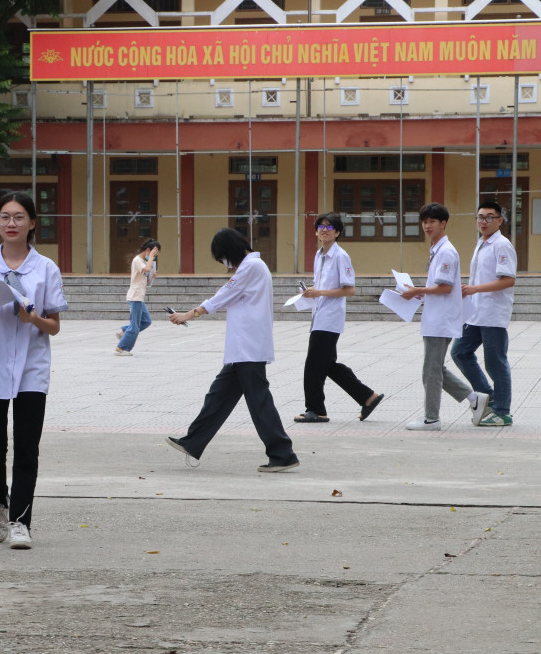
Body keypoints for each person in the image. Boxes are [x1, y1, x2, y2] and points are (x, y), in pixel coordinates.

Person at [0, 191, 68, 550]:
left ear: (32, 223)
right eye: (4, 217)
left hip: (32, 368)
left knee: (26, 446)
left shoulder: (46, 268)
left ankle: (22, 521)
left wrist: (32, 317)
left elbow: (53, 325)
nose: (11, 224)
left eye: (19, 217)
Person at [166, 227, 299, 473]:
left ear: (231, 251)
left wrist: (189, 313)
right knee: (218, 396)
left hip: (247, 347)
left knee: (259, 401)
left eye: (224, 258)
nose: (226, 265)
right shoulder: (253, 266)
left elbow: (224, 294)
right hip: (243, 347)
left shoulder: (251, 267)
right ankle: (193, 442)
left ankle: (283, 453)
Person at [401, 202, 488, 430]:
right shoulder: (437, 249)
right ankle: (473, 399)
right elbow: (438, 287)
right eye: (424, 221)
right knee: (435, 368)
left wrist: (417, 291)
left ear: (443, 223)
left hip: (441, 320)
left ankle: (432, 418)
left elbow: (445, 287)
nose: (427, 226)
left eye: (432, 221)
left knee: (431, 371)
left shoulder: (446, 251)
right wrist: (419, 294)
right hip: (435, 317)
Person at [294, 213, 383, 423]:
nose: (324, 230)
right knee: (326, 365)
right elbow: (323, 286)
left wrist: (320, 293)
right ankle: (368, 397)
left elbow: (349, 290)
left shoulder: (341, 256)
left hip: (330, 318)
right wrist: (312, 292)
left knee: (313, 366)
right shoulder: (319, 255)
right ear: (316, 231)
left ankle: (316, 409)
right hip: (319, 315)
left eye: (329, 226)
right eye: (320, 226)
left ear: (337, 232)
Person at [450, 201, 516, 426]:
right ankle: (488, 396)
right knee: (460, 351)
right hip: (475, 312)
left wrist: (475, 289)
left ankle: (502, 411)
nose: (484, 221)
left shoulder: (502, 245)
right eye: (480, 217)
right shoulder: (482, 243)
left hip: (493, 313)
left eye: (489, 217)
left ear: (500, 220)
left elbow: (508, 280)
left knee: (495, 362)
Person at [115, 239, 160, 356]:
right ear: (148, 250)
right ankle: (121, 348)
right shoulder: (138, 260)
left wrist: (152, 276)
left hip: (139, 296)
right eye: (153, 254)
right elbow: (146, 269)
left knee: (146, 321)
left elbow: (147, 278)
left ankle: (124, 332)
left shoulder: (144, 261)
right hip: (135, 296)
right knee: (134, 326)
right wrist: (150, 258)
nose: (153, 257)